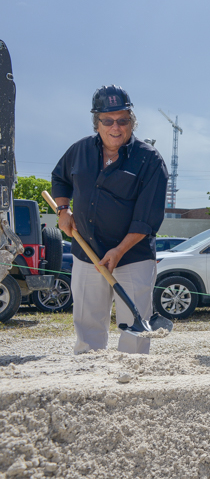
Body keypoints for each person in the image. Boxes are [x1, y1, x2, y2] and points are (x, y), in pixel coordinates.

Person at [51, 85, 168, 354]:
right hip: (86, 254)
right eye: (108, 120)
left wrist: (118, 251)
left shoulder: (149, 160)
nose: (116, 127)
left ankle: (130, 386)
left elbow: (146, 220)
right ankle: (89, 379)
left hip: (132, 258)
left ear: (131, 121)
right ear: (97, 123)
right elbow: (59, 178)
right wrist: (62, 210)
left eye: (123, 120)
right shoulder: (79, 151)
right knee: (87, 325)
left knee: (134, 332)